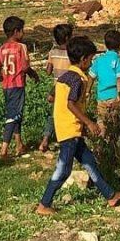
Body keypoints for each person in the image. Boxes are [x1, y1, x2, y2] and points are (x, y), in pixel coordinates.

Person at [36, 35, 120, 215]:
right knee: (63, 170)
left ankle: (110, 196)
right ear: (84, 60)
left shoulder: (65, 76)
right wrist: (89, 122)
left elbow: (51, 97)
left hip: (70, 129)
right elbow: (71, 104)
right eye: (91, 59)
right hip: (70, 131)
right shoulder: (78, 79)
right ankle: (44, 204)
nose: (91, 63)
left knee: (90, 163)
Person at [0, 15, 40, 158]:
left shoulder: (2, 48)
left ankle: (19, 144)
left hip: (6, 86)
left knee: (16, 114)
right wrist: (33, 74)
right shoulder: (21, 47)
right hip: (18, 85)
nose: (24, 34)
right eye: (22, 31)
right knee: (12, 116)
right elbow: (25, 67)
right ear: (17, 31)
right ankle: (4, 149)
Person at [37, 23, 73, 153]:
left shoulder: (52, 52)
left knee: (53, 115)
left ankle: (45, 140)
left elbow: (48, 71)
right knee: (71, 113)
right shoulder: (71, 54)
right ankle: (67, 139)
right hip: (69, 88)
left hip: (56, 89)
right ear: (68, 37)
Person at [90, 28, 120, 131]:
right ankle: (113, 144)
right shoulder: (118, 61)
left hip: (101, 97)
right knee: (114, 124)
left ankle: (102, 143)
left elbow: (91, 77)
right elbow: (119, 78)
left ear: (105, 44)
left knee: (102, 122)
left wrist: (87, 91)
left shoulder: (99, 60)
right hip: (114, 96)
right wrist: (119, 95)